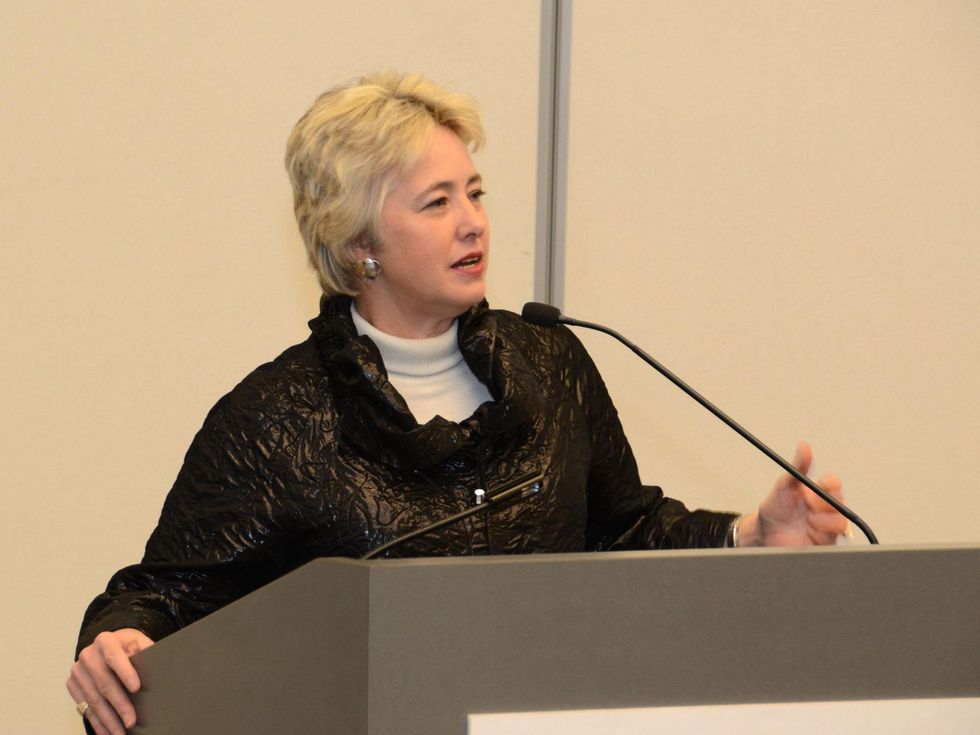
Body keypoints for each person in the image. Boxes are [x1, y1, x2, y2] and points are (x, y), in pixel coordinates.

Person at [66, 71, 847, 735]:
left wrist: (746, 537)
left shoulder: (550, 361)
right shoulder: (276, 418)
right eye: (436, 203)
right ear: (357, 242)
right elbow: (164, 595)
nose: (474, 220)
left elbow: (622, 533)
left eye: (474, 192)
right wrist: (120, 635)